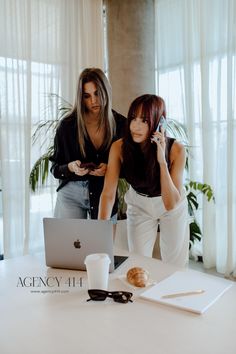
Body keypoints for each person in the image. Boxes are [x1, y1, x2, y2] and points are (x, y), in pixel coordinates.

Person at [98, 94, 189, 267]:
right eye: (133, 118)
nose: (136, 126)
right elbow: (108, 193)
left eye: (145, 121)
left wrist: (162, 160)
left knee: (174, 264)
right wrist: (100, 231)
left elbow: (170, 204)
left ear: (158, 123)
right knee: (138, 262)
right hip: (139, 203)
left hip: (171, 204)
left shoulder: (176, 149)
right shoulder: (119, 147)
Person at [50, 68, 126, 220]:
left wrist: (111, 169)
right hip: (71, 194)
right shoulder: (67, 126)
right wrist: (71, 167)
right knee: (70, 244)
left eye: (97, 93)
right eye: (87, 96)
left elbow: (130, 166)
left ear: (106, 90)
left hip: (104, 192)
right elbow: (55, 168)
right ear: (81, 97)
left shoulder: (121, 124)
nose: (93, 101)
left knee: (102, 243)